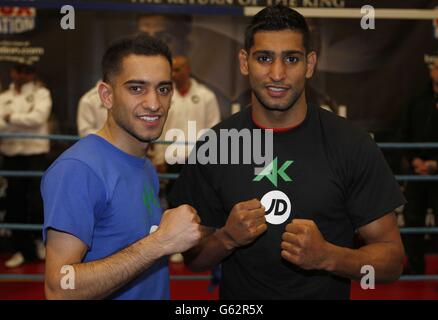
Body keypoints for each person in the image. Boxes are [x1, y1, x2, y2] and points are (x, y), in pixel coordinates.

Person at [169, 5, 406, 299]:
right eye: (264, 58)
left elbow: (392, 261)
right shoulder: (216, 145)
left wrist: (329, 257)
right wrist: (227, 238)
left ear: (309, 64)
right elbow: (194, 260)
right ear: (245, 62)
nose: (277, 74)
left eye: (291, 59)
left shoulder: (351, 144)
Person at [41, 34, 201, 300]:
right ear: (107, 95)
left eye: (163, 89)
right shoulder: (78, 169)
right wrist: (160, 242)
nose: (153, 103)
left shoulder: (144, 165)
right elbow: (60, 289)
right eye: (136, 88)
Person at [0, 63, 52, 268]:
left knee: (38, 203)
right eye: (18, 70)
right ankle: (23, 249)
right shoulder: (4, 96)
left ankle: (41, 243)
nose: (22, 75)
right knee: (15, 204)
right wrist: (21, 121)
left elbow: (38, 118)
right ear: (13, 73)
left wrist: (10, 118)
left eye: (27, 71)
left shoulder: (41, 93)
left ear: (32, 74)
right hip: (11, 155)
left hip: (35, 154)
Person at [399, 58, 438, 274]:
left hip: (436, 170)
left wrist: (435, 164)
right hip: (417, 171)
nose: (435, 71)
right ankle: (415, 266)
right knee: (413, 217)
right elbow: (404, 134)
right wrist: (416, 160)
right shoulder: (418, 102)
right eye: (434, 67)